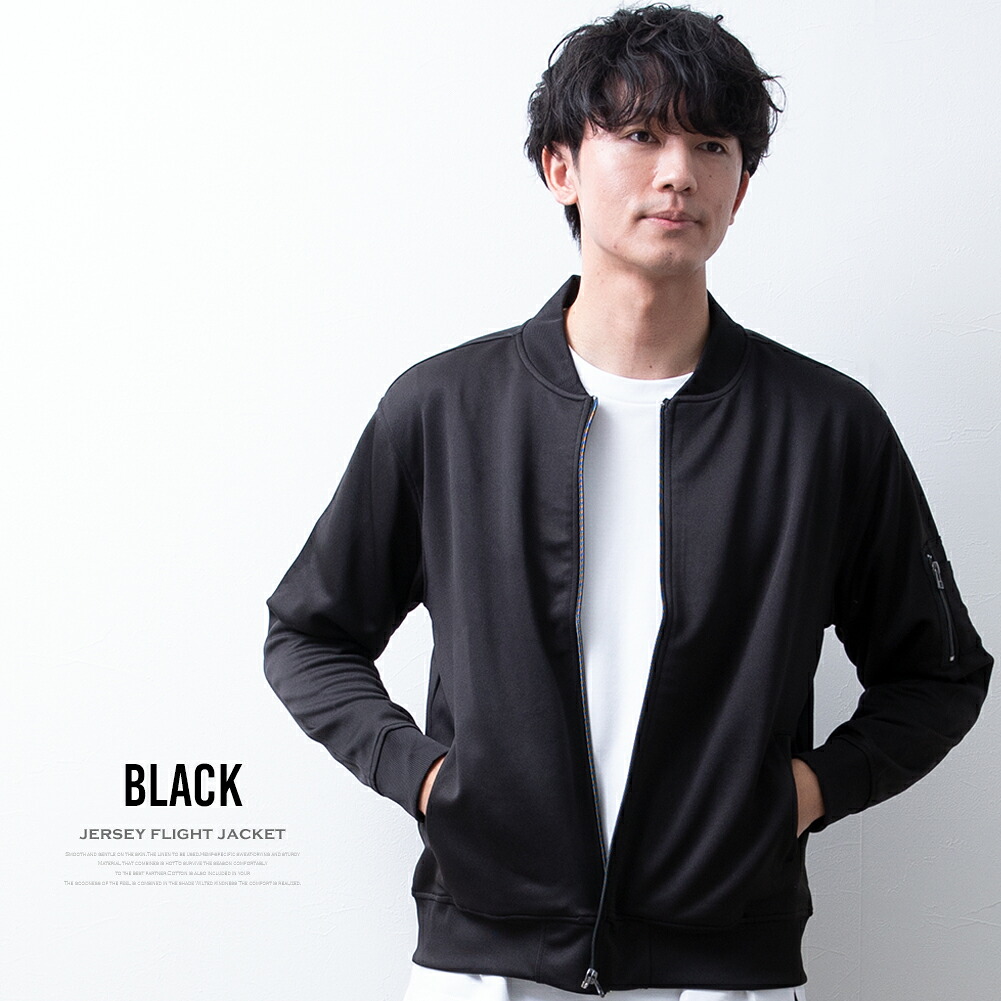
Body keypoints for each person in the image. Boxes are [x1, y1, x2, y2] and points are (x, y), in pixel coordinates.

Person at [262, 6, 993, 1000]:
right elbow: (308, 634)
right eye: (641, 134)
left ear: (740, 188)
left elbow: (938, 673)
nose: (677, 172)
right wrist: (428, 778)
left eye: (711, 145)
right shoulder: (444, 410)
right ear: (559, 166)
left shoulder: (824, 428)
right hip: (489, 953)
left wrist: (802, 792)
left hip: (722, 958)